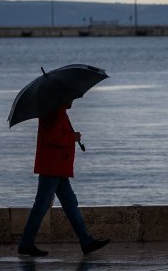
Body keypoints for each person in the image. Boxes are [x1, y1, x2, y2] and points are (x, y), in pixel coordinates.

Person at [18, 100, 109, 257]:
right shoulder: (53, 112)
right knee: (42, 204)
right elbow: (52, 137)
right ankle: (26, 243)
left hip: (58, 167)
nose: (72, 100)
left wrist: (71, 136)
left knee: (70, 204)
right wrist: (71, 137)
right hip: (52, 167)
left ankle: (86, 241)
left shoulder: (59, 111)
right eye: (70, 98)